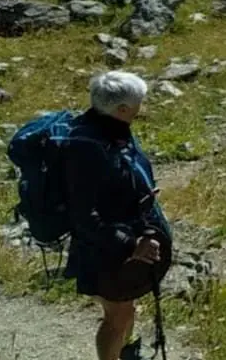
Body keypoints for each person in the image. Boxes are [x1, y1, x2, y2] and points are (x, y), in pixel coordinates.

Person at [63, 70, 171, 360]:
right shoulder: (86, 148)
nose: (142, 107)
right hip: (104, 247)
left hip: (118, 238)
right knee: (117, 315)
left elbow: (114, 181)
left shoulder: (109, 129)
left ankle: (126, 351)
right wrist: (131, 245)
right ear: (122, 109)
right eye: (138, 102)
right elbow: (85, 215)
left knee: (126, 306)